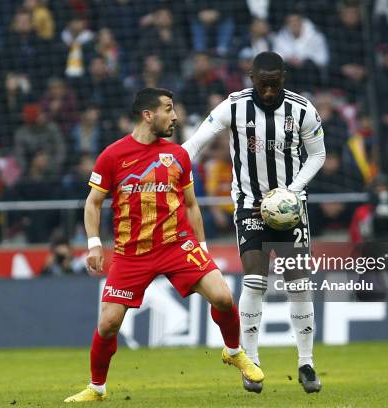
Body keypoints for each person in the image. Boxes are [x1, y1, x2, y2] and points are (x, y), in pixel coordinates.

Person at [64, 88, 263, 402]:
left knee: (223, 297)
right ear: (148, 115)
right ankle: (97, 388)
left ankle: (235, 352)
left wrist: (202, 248)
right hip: (132, 253)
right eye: (168, 110)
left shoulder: (177, 155)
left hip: (176, 245)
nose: (175, 116)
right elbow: (92, 203)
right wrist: (93, 244)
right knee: (108, 324)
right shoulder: (113, 156)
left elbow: (192, 206)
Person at [182, 52, 325, 393]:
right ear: (250, 78)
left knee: (298, 284)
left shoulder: (303, 110)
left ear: (284, 79)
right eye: (263, 85)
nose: (269, 92)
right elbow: (194, 145)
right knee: (255, 281)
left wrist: (292, 190)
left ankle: (306, 363)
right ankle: (252, 361)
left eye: (275, 84)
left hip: (291, 208)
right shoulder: (233, 106)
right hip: (249, 205)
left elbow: (318, 154)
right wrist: (166, 166)